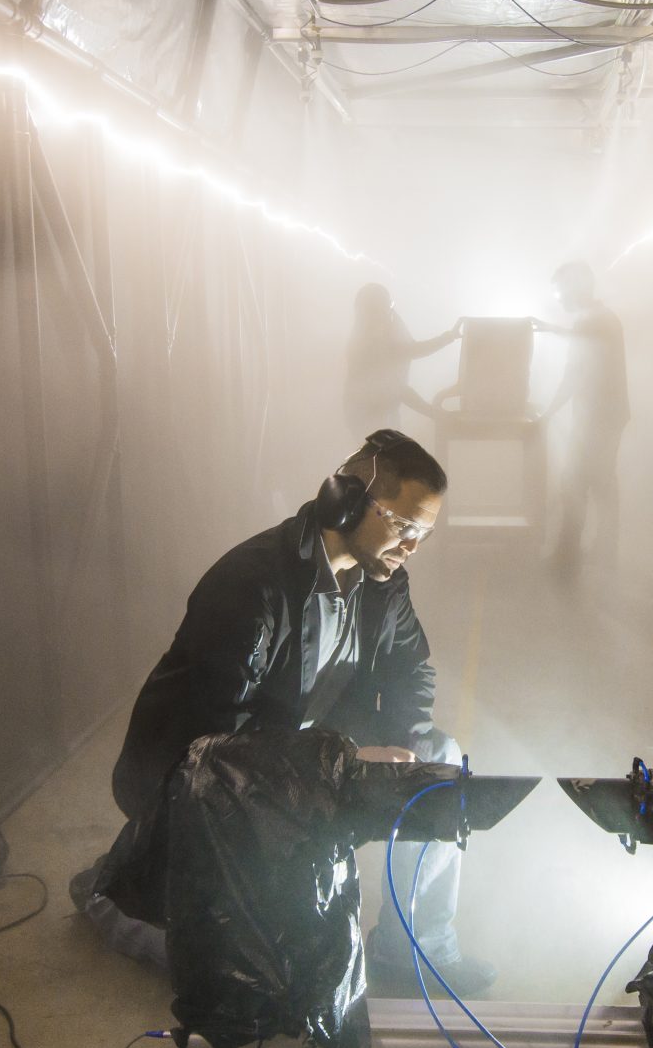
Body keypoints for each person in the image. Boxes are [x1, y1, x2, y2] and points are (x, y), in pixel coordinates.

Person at [67, 429, 497, 997]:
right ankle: (108, 893)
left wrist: (403, 750)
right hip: (204, 780)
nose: (413, 546)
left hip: (298, 754)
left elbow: (410, 669)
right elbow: (218, 746)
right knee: (253, 974)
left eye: (425, 533)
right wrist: (339, 762)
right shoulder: (250, 585)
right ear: (345, 501)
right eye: (404, 526)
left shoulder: (382, 580)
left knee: (438, 759)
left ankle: (414, 948)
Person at [539, 261, 629, 572]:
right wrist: (554, 329)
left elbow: (573, 375)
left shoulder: (590, 322)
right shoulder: (600, 317)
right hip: (607, 414)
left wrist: (547, 413)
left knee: (575, 483)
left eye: (561, 290)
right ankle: (603, 555)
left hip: (597, 417)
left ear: (575, 288)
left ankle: (568, 557)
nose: (559, 298)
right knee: (600, 484)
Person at [344, 282, 458, 439]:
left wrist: (449, 337)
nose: (387, 312)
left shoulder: (381, 332)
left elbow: (409, 350)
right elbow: (396, 387)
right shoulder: (367, 345)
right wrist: (432, 413)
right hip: (368, 419)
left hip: (379, 417)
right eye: (381, 308)